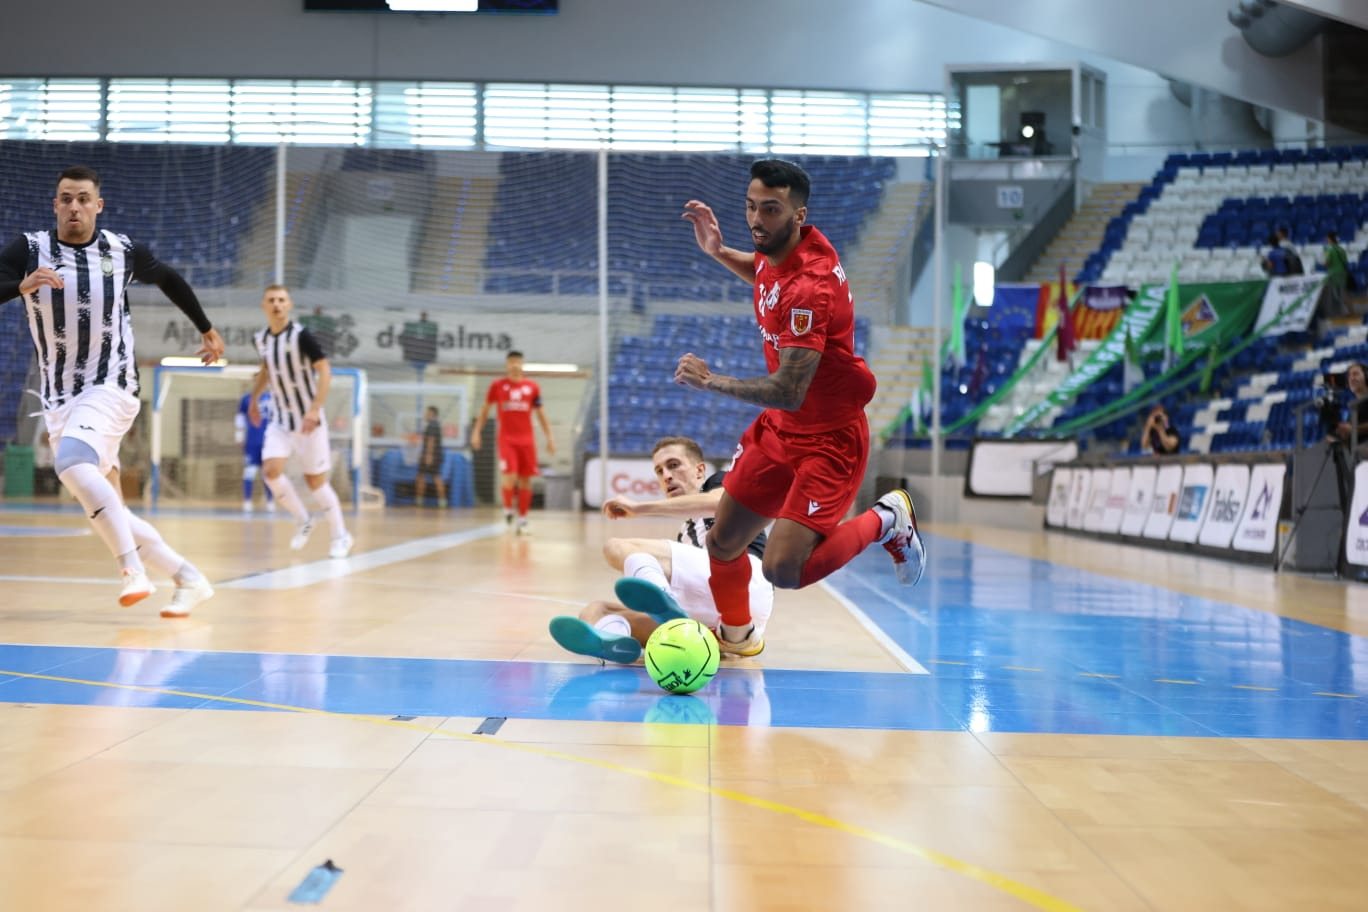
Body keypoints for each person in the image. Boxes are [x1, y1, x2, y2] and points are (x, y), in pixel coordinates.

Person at [677, 158, 925, 658]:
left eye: (770, 210)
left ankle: (887, 519)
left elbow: (789, 389)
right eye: (750, 206)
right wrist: (719, 251)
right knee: (722, 545)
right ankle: (738, 638)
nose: (756, 220)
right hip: (780, 431)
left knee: (782, 570)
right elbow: (766, 273)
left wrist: (710, 381)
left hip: (829, 440)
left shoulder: (809, 287)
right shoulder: (783, 247)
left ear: (797, 213)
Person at [0, 165, 222, 616]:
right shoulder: (30, 249)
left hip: (112, 384)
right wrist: (19, 286)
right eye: (66, 198)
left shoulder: (121, 251)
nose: (74, 206)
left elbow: (170, 280)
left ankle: (131, 571)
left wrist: (207, 329)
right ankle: (188, 578)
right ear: (55, 204)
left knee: (70, 464)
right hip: (60, 396)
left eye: (83, 198)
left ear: (97, 206)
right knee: (109, 506)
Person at [547, 436, 774, 663]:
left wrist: (639, 507)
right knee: (597, 610)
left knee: (617, 547)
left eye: (673, 465)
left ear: (699, 470)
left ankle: (666, 601)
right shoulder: (685, 533)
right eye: (659, 471)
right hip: (714, 616)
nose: (666, 476)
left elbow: (718, 503)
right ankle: (614, 641)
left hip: (747, 585)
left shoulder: (718, 482)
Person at [247, 284, 354, 559]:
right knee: (270, 471)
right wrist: (255, 399)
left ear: (290, 304)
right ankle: (303, 519)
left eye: (282, 300)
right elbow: (266, 369)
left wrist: (315, 409)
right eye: (271, 300)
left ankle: (340, 535)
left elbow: (325, 371)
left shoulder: (302, 336)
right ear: (263, 305)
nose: (277, 304)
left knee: (315, 482)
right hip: (280, 419)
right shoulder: (261, 339)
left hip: (309, 421)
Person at [470, 350, 555, 534]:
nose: (515, 365)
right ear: (507, 365)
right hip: (507, 439)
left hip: (527, 441)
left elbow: (541, 414)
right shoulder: (497, 386)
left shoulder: (532, 387)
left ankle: (523, 520)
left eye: (518, 361)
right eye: (512, 362)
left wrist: (550, 436)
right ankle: (508, 509)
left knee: (526, 480)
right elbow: (485, 410)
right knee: (510, 477)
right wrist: (477, 431)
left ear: (522, 364)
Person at [235, 386, 275, 513]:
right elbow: (240, 418)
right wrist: (239, 435)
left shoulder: (271, 398)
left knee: (268, 474)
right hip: (251, 442)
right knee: (249, 472)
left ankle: (270, 501)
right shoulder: (246, 399)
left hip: (268, 442)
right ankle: (247, 501)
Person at [414, 404, 447, 508]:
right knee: (434, 476)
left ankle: (420, 502)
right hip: (436, 455)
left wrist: (428, 455)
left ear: (432, 414)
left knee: (423, 477)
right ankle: (442, 502)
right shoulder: (435, 424)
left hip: (432, 456)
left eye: (427, 413)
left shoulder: (432, 425)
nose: (425, 415)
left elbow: (431, 440)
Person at [1321, 231, 1351, 320]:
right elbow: (1345, 262)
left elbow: (1327, 263)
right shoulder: (1342, 249)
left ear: (1330, 239)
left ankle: (1336, 313)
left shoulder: (1329, 250)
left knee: (1334, 294)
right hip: (1342, 273)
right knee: (1342, 293)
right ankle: (1345, 312)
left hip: (1333, 274)